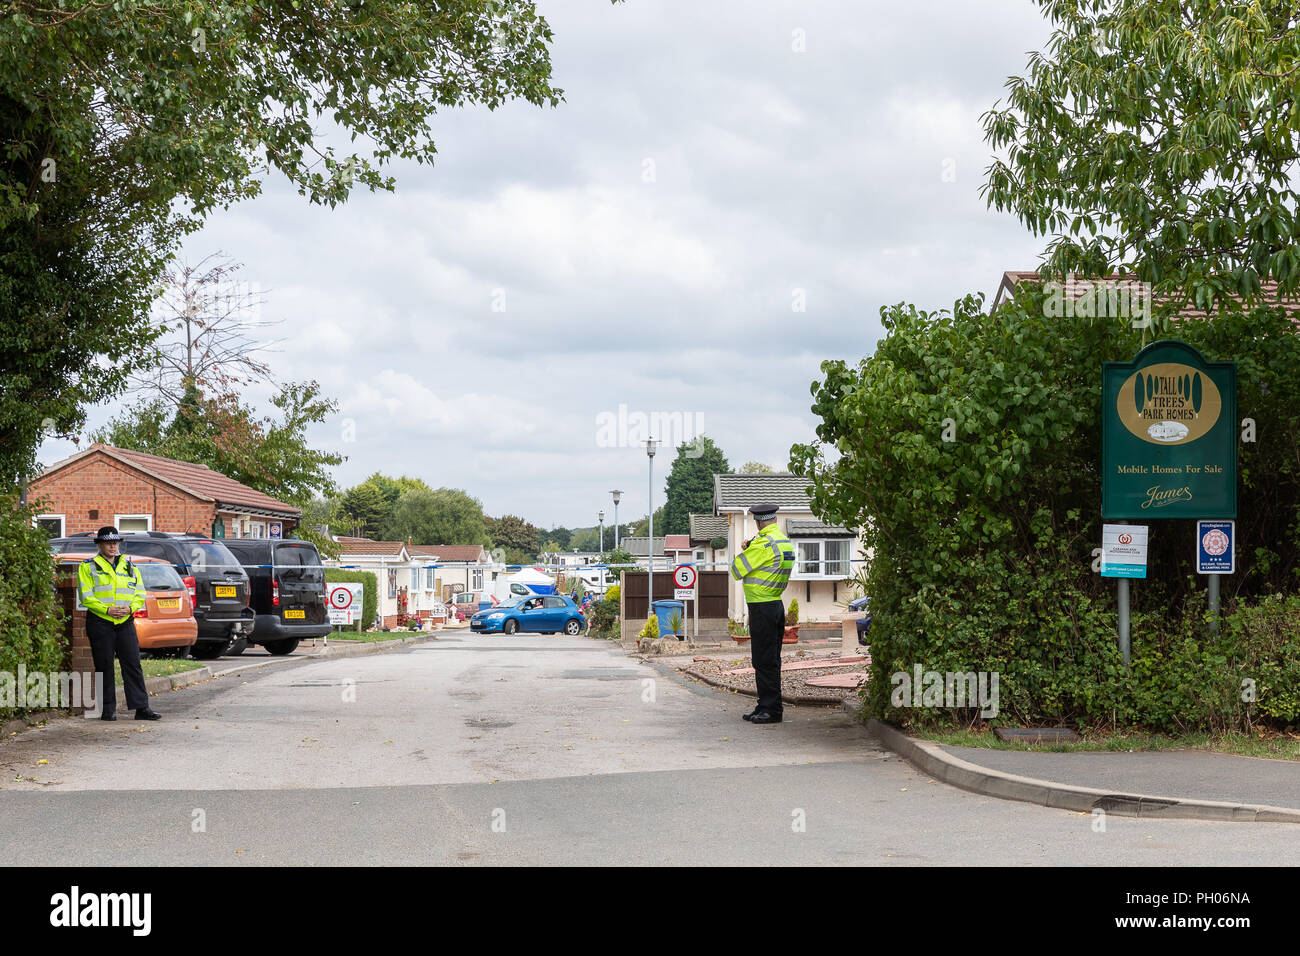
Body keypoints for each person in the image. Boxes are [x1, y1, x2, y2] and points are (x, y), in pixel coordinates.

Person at [77, 527, 161, 721]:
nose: (112, 546)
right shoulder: (87, 567)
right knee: (104, 665)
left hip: (125, 621)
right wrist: (107, 610)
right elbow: (86, 596)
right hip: (100, 621)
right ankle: (107, 710)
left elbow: (139, 592)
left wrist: (130, 608)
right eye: (108, 543)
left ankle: (141, 708)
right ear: (100, 545)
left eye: (115, 542)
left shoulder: (129, 566)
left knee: (133, 664)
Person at [728, 503, 795, 724]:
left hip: (762, 607)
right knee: (771, 659)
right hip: (775, 605)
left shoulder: (763, 543)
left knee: (763, 660)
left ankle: (770, 709)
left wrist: (746, 549)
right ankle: (766, 705)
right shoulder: (783, 541)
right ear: (774, 519)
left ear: (758, 522)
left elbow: (736, 569)